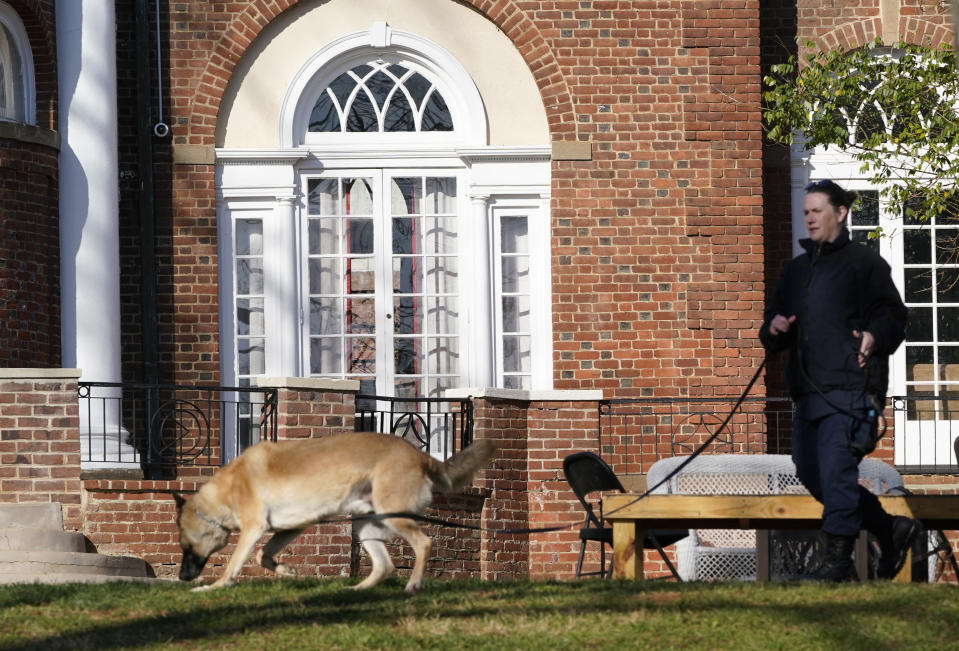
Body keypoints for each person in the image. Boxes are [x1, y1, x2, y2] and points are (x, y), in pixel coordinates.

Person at [759, 179, 919, 582]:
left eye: (817, 210)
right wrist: (774, 327)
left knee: (836, 472)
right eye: (806, 211)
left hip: (851, 391)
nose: (809, 217)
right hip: (807, 396)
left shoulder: (864, 264)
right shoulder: (795, 271)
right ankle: (889, 528)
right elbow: (771, 326)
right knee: (811, 473)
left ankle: (836, 565)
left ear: (841, 213)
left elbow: (893, 317)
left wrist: (873, 335)